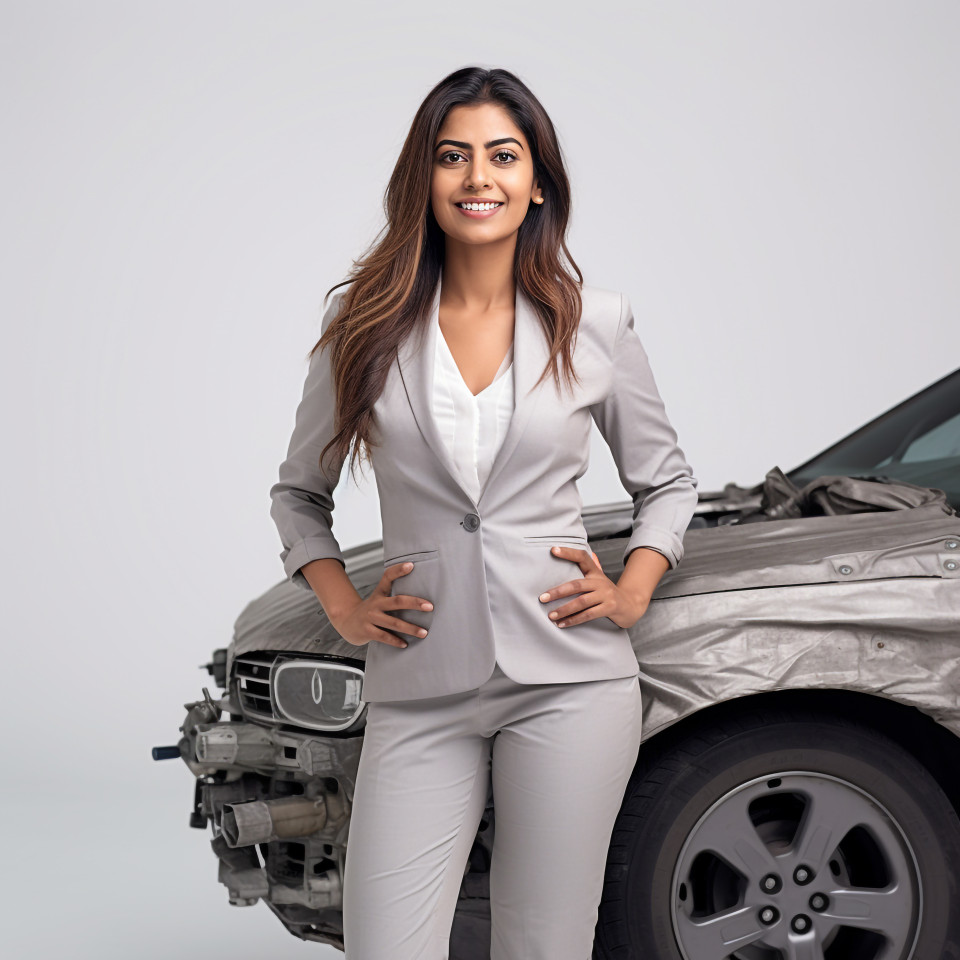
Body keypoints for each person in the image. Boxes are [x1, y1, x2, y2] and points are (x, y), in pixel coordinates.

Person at [269, 66, 699, 960]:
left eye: (502, 156)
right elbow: (297, 495)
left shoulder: (597, 324)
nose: (478, 179)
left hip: (571, 682)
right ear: (422, 180)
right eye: (452, 157)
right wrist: (344, 608)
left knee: (543, 944)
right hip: (419, 684)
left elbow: (668, 483)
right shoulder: (364, 327)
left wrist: (632, 592)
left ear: (536, 180)